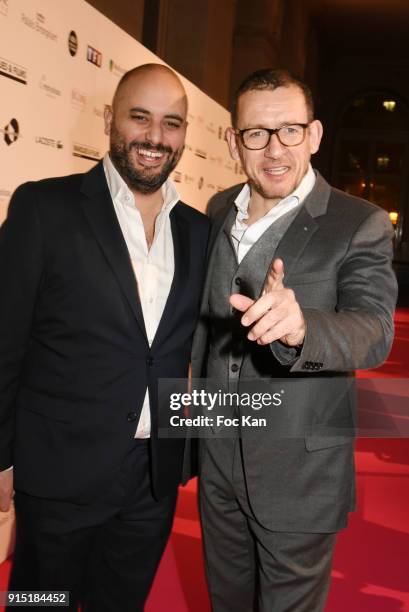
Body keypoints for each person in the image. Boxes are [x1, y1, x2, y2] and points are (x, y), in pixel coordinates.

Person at [0, 63, 209, 611]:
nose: (155, 138)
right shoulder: (45, 208)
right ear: (110, 119)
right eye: (140, 118)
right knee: (39, 604)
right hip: (57, 475)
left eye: (172, 123)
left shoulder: (197, 231)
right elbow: (3, 346)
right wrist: (0, 460)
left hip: (151, 480)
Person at [191, 68, 397, 611]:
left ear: (316, 135)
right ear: (235, 141)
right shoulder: (217, 210)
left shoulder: (359, 222)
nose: (274, 148)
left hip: (299, 471)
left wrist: (304, 326)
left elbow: (374, 330)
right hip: (216, 464)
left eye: (290, 130)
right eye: (257, 133)